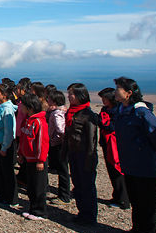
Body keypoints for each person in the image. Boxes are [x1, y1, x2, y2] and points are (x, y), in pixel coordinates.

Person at [112, 76, 156, 233]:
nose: (115, 92)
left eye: (118, 89)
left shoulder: (141, 112)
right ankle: (137, 228)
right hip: (130, 163)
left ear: (129, 93)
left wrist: (152, 154)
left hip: (145, 165)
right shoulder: (121, 110)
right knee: (136, 198)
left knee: (148, 201)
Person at [65, 83, 99, 225]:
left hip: (84, 154)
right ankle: (82, 212)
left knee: (87, 185)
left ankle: (89, 215)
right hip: (73, 153)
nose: (68, 96)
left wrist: (90, 159)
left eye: (71, 94)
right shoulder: (72, 112)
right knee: (77, 183)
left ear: (80, 95)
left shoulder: (88, 115)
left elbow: (92, 140)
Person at [19, 93, 49, 220]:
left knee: (38, 186)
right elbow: (23, 139)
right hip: (28, 158)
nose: (21, 108)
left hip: (37, 160)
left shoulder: (39, 122)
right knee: (31, 185)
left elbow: (42, 142)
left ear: (29, 107)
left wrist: (40, 160)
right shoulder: (28, 120)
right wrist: (21, 153)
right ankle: (32, 208)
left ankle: (39, 211)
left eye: (23, 106)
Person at [98, 87, 129, 209]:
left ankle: (123, 198)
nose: (103, 101)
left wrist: (101, 122)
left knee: (117, 169)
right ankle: (117, 195)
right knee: (111, 169)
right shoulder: (105, 109)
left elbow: (112, 126)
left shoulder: (118, 111)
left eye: (105, 98)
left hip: (115, 143)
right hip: (106, 142)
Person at [0, 82, 18, 206]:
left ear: (4, 95)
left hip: (5, 145)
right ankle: (1, 195)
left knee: (7, 172)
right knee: (1, 171)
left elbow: (9, 131)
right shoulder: (1, 106)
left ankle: (11, 198)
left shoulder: (7, 109)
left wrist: (5, 147)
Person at [46, 89, 69, 202]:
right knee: (63, 169)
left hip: (58, 144)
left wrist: (58, 138)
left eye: (49, 99)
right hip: (60, 143)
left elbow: (60, 129)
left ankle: (64, 196)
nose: (47, 100)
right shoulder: (63, 110)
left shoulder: (56, 114)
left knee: (62, 170)